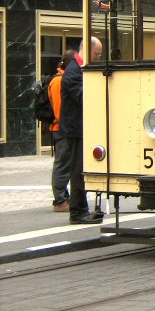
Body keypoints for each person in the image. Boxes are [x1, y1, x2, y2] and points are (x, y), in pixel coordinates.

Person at [61, 37, 104, 225]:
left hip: (81, 127)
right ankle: (78, 212)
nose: (97, 58)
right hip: (75, 129)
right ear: (86, 50)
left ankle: (81, 210)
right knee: (78, 171)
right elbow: (82, 96)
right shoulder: (72, 72)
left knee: (82, 170)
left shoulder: (80, 70)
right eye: (96, 54)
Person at [49, 49, 76, 212]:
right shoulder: (59, 81)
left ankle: (63, 197)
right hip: (62, 128)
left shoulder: (63, 79)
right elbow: (60, 110)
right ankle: (59, 200)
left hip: (63, 127)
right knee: (62, 164)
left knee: (65, 164)